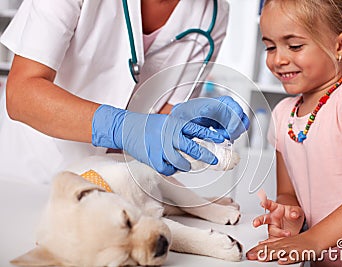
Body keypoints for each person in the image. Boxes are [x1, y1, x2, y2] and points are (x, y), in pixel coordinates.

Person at [0, 0, 249, 183]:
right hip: (27, 171)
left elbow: (158, 119)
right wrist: (120, 127)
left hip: (102, 184)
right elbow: (21, 93)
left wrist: (190, 122)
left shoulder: (213, 14)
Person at [246, 0, 342, 266]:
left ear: (341, 45)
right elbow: (288, 194)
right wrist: (289, 217)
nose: (278, 59)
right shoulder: (283, 115)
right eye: (270, 46)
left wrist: (312, 240)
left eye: (294, 46)